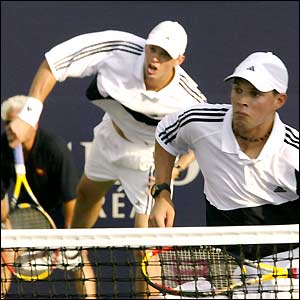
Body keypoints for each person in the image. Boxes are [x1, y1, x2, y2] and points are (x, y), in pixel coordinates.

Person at [6, 20, 207, 297]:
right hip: (109, 136)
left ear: (179, 60)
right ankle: (73, 248)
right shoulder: (118, 48)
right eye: (153, 49)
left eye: (165, 55)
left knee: (145, 251)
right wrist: (29, 115)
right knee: (86, 194)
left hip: (149, 157)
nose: (155, 59)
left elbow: (208, 134)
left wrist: (179, 165)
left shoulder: (188, 97)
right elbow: (52, 64)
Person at [149, 51, 299, 298]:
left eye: (255, 94)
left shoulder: (292, 154)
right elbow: (165, 134)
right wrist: (162, 193)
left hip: (285, 267)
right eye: (238, 90)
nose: (242, 100)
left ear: (279, 100)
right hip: (228, 265)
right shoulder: (201, 122)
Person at [1, 95, 97, 299]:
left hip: (60, 217)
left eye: (16, 121)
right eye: (7, 123)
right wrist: (8, 231)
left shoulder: (53, 148)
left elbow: (72, 203)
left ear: (32, 123)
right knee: (3, 256)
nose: (11, 127)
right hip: (21, 218)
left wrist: (70, 239)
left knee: (79, 258)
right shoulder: (3, 147)